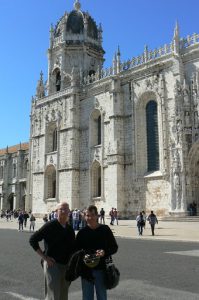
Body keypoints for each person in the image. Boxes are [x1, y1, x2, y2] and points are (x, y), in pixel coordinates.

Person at [29, 202, 75, 300]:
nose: (64, 211)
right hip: (52, 264)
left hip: (66, 265)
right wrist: (45, 258)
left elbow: (73, 248)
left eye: (66, 209)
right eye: (61, 209)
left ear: (69, 212)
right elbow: (33, 239)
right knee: (53, 294)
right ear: (56, 212)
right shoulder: (50, 225)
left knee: (63, 294)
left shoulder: (70, 229)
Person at [76, 205, 118, 300]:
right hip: (86, 271)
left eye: (92, 215)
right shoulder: (81, 233)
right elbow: (76, 251)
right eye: (87, 215)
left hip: (102, 269)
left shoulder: (105, 230)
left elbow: (114, 247)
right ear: (84, 216)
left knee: (102, 296)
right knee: (87, 297)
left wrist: (104, 252)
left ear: (97, 216)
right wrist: (83, 255)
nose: (90, 218)